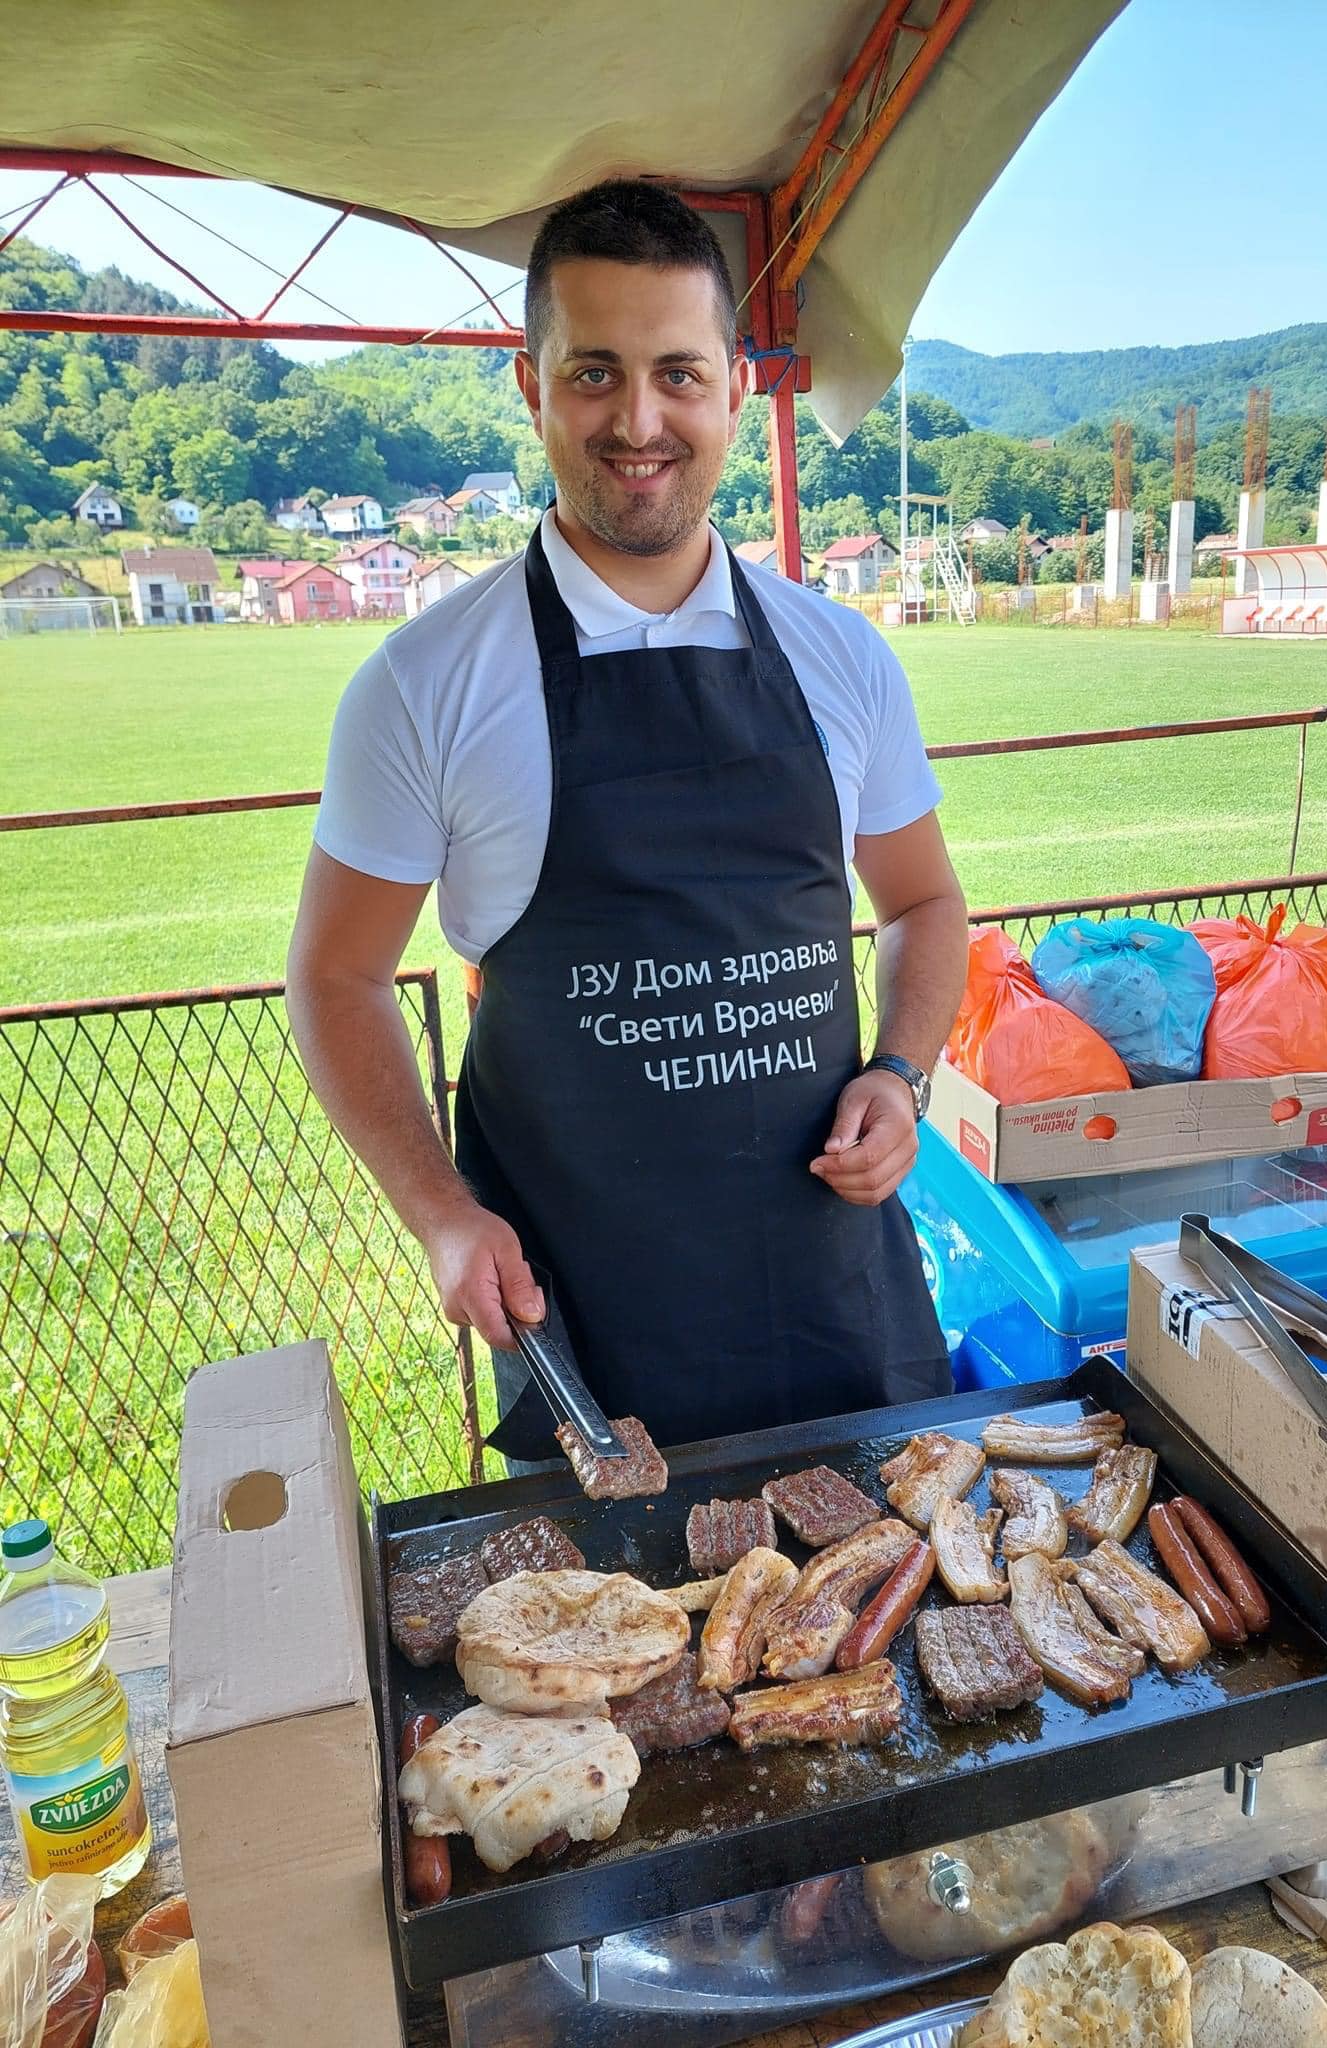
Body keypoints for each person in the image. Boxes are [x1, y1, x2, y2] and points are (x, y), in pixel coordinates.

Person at [287, 179, 967, 1461]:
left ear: (736, 390)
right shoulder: (425, 684)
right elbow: (336, 974)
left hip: (840, 1306)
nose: (640, 421)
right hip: (590, 1329)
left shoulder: (843, 657)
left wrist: (901, 1071)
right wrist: (440, 1212)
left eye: (679, 374)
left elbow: (925, 903)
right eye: (594, 372)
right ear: (531, 386)